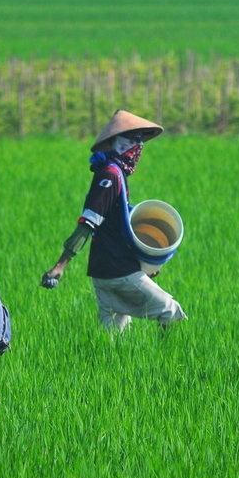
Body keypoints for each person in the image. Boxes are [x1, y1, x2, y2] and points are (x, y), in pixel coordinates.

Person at [39, 109, 187, 330]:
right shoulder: (110, 176)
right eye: (135, 142)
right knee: (171, 312)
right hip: (118, 271)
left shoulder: (114, 173)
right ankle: (173, 360)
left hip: (104, 270)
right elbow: (88, 223)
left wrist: (144, 265)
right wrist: (60, 266)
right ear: (121, 144)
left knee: (113, 342)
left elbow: (116, 228)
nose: (139, 149)